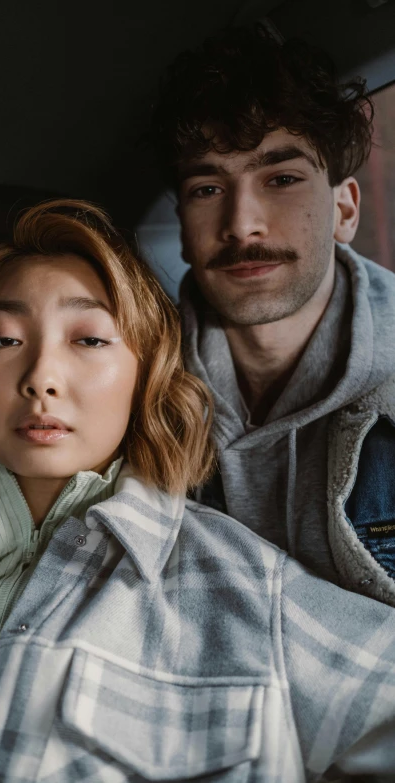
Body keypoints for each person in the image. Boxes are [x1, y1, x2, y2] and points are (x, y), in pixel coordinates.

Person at [0, 198, 395, 782]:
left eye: (90, 340)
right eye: (2, 339)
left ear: (146, 372)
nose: (41, 376)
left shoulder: (245, 586)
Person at [149, 23, 395, 604]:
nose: (242, 224)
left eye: (282, 179)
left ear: (344, 209)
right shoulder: (127, 376)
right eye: (207, 189)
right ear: (182, 227)